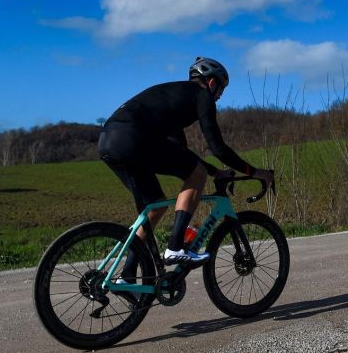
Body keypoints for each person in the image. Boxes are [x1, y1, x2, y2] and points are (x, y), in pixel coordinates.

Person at [98, 56, 272, 278]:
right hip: (133, 140)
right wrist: (255, 172)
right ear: (211, 83)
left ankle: (128, 273)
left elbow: (182, 154)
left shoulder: (172, 102)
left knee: (156, 205)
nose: (219, 96)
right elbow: (218, 148)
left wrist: (214, 171)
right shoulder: (202, 96)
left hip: (108, 142)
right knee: (195, 174)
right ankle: (175, 246)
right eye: (221, 88)